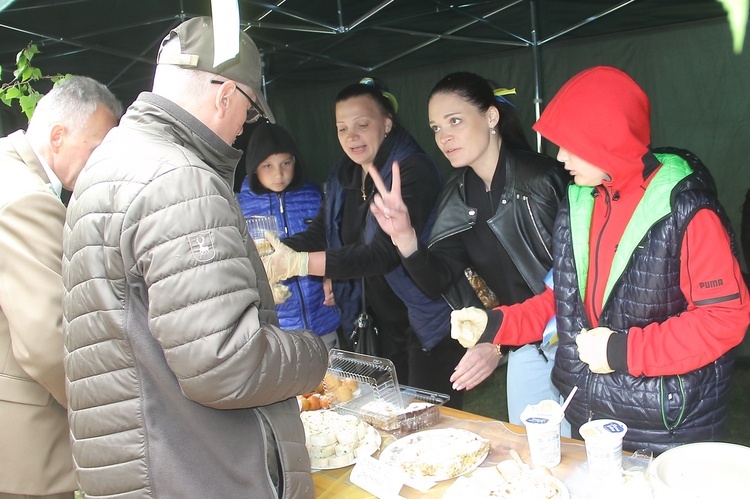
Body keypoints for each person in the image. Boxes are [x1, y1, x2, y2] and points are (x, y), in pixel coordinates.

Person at [61, 17, 328, 499]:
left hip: (139, 463)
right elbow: (226, 363)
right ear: (226, 95)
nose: (243, 130)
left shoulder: (105, 166)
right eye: (247, 113)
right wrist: (313, 354)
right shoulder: (180, 179)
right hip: (198, 470)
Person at [448, 66, 750, 453]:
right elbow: (562, 304)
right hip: (591, 418)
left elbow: (724, 320)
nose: (560, 157)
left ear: (608, 140)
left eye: (571, 144)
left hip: (666, 428)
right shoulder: (581, 204)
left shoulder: (685, 209)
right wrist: (494, 324)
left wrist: (622, 351)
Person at [368, 72, 569, 426]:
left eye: (455, 121)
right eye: (435, 128)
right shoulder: (457, 195)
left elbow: (579, 278)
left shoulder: (544, 180)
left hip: (576, 341)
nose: (444, 137)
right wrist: (405, 238)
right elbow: (437, 280)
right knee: (533, 452)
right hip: (524, 343)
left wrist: (495, 339)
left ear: (491, 117)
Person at [262, 77, 466, 407]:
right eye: (342, 128)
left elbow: (382, 254)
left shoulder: (413, 170)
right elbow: (322, 233)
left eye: (362, 124)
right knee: (380, 414)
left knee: (427, 421)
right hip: (370, 318)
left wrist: (301, 264)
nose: (351, 136)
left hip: (422, 320)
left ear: (386, 124)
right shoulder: (345, 174)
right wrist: (272, 249)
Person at [0, 76, 120, 499]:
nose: (105, 162)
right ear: (58, 135)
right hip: (24, 448)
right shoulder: (26, 197)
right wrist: (108, 417)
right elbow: (47, 339)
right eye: (99, 147)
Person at [237, 122, 341, 349]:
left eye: (286, 163)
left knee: (333, 383)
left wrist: (332, 276)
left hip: (321, 319)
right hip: (275, 329)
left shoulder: (314, 196)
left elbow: (334, 244)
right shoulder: (239, 207)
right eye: (267, 166)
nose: (279, 173)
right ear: (254, 167)